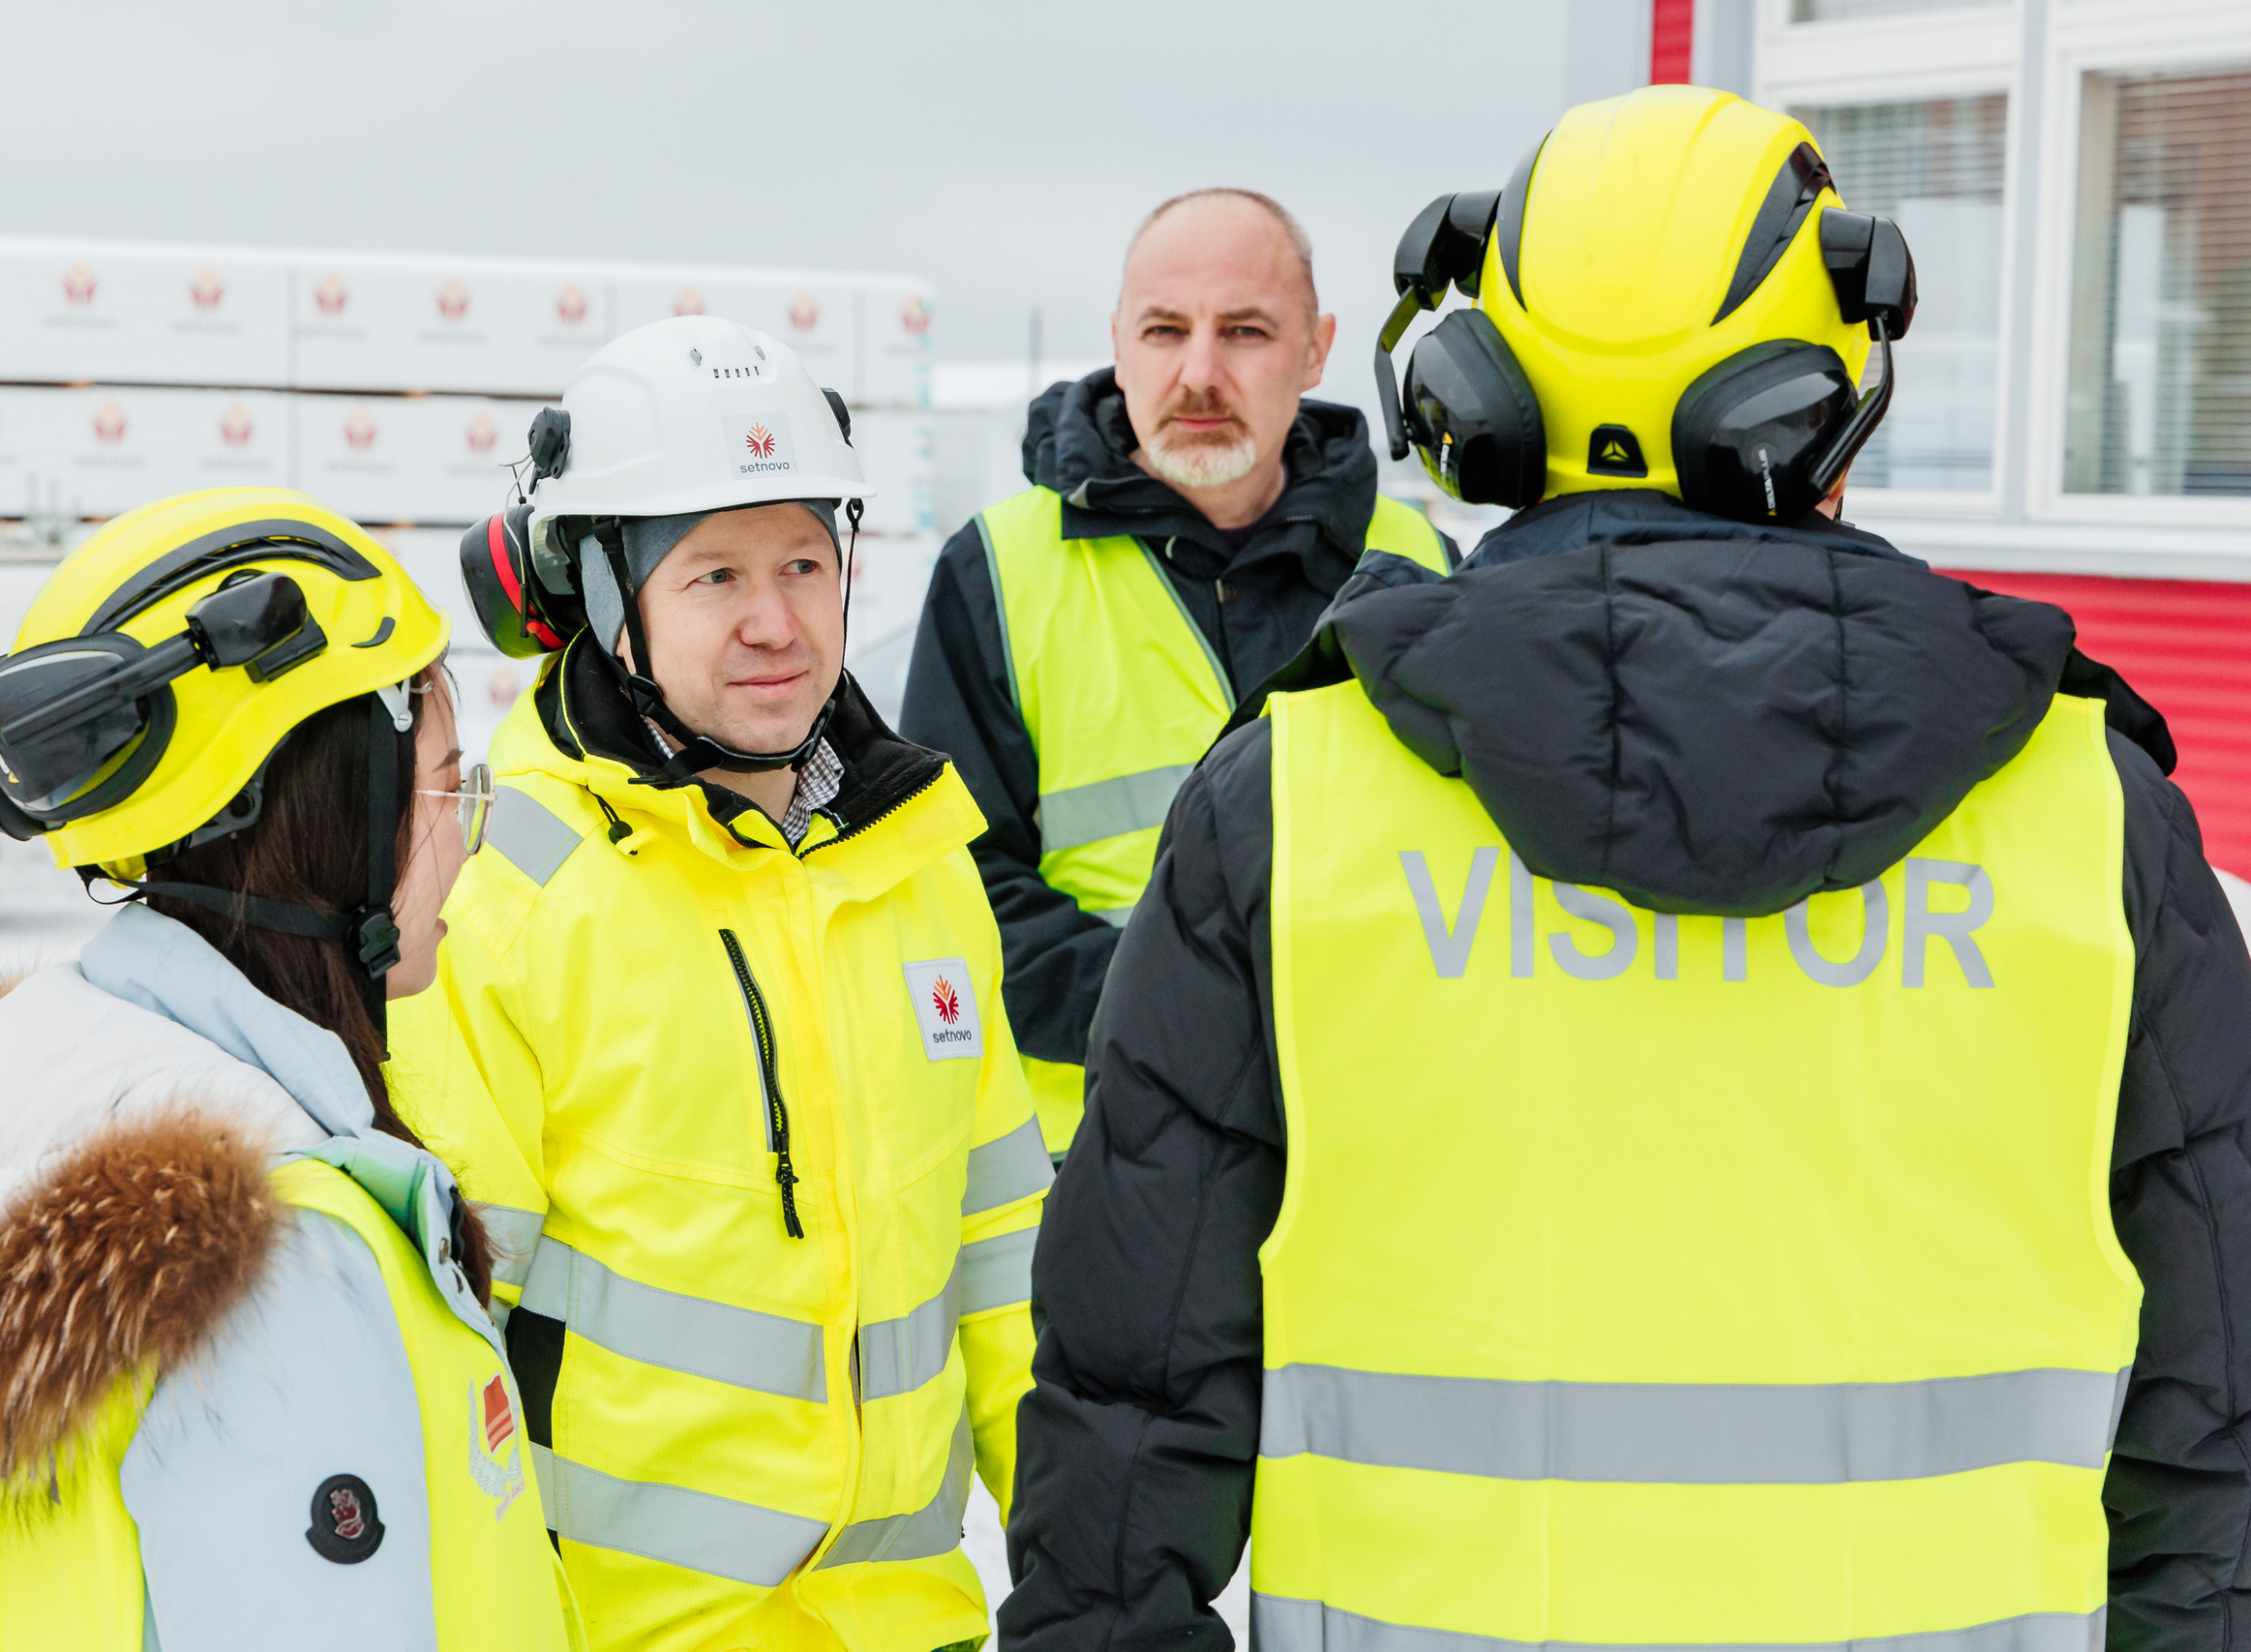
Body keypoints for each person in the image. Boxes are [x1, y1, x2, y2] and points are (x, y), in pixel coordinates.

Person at [1003, 84, 2251, 1652]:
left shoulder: (1291, 800)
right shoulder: (2090, 813)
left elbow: (1131, 1391)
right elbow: (2222, 1399)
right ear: (1826, 402)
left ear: (1473, 395)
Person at [0, 489, 581, 1650]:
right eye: (450, 786)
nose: (471, 840)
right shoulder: (281, 1258)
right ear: (324, 821)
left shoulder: (39, 1101)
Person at [392, 315, 1051, 1652]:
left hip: (914, 1624)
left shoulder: (917, 859)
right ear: (599, 594)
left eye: (806, 561)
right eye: (713, 576)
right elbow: (453, 1344)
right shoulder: (508, 887)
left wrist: (1088, 1565)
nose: (777, 621)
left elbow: (1005, 1261)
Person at [901, 188, 1455, 1159]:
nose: (1199, 373)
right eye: (1165, 331)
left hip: (1367, 1147)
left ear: (1317, 347)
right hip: (1100, 1158)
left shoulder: (1422, 566)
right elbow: (949, 883)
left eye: (1244, 331)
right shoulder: (996, 569)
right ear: (1119, 343)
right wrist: (1185, 1027)